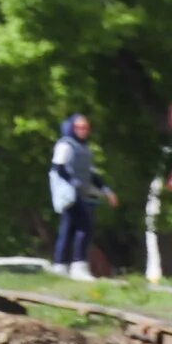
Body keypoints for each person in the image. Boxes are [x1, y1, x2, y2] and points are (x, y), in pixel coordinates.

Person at [49, 115, 112, 277]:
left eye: (86, 128)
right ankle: (78, 265)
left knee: (68, 229)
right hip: (69, 193)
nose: (83, 131)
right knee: (84, 226)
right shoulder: (65, 145)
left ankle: (60, 265)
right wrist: (73, 183)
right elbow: (59, 169)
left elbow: (91, 173)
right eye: (79, 127)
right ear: (72, 128)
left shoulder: (85, 148)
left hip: (82, 192)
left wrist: (106, 190)